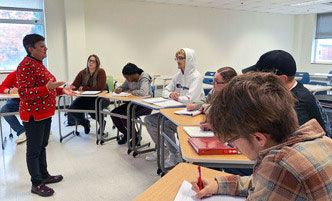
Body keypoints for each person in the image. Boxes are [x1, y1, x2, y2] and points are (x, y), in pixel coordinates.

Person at [191, 72, 332, 200]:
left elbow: (271, 179)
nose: (235, 148)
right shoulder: (323, 142)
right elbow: (261, 182)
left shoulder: (281, 166)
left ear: (259, 138)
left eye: (232, 141)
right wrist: (218, 185)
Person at [17, 34, 76, 197]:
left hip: (45, 113)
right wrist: (48, 88)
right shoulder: (25, 65)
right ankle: (36, 184)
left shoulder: (39, 63)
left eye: (45, 45)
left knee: (42, 146)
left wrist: (61, 90)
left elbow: (47, 87)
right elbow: (24, 93)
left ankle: (44, 175)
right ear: (31, 49)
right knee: (34, 150)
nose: (46, 48)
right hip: (33, 115)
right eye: (41, 46)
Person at [242, 50, 331, 136]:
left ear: (281, 79)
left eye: (261, 78)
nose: (258, 82)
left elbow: (294, 142)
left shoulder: (297, 103)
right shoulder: (291, 92)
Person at [144, 48, 204, 166]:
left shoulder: (196, 77)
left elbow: (190, 100)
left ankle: (174, 153)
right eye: (177, 58)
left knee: (166, 125)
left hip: (190, 113)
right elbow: (165, 91)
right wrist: (171, 94)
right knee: (149, 120)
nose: (178, 61)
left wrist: (176, 98)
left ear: (189, 59)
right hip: (175, 109)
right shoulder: (178, 76)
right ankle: (162, 149)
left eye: (181, 58)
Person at [111, 63, 153, 144]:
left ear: (133, 74)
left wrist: (131, 92)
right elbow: (124, 87)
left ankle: (135, 136)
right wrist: (120, 89)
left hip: (145, 105)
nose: (127, 79)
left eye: (127, 77)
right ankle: (127, 134)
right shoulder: (129, 79)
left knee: (126, 115)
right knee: (114, 113)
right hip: (133, 104)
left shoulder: (144, 77)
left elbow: (144, 92)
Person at [67, 54, 110, 134]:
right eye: (89, 60)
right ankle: (85, 123)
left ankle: (102, 123)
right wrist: (70, 88)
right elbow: (75, 85)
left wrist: (84, 88)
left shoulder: (101, 72)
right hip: (86, 98)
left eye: (93, 61)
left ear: (97, 63)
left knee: (92, 109)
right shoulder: (83, 72)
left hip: (101, 98)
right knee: (72, 108)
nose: (91, 62)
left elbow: (100, 87)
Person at [186, 67, 237, 131]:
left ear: (227, 84)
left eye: (216, 81)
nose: (212, 83)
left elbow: (220, 112)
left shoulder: (234, 96)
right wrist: (195, 105)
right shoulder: (215, 90)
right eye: (213, 80)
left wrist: (206, 107)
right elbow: (205, 101)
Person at [0, 70, 26, 144]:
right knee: (4, 110)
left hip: (30, 100)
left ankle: (43, 128)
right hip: (15, 100)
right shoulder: (14, 74)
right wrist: (9, 91)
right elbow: (1, 87)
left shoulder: (35, 75)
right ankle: (22, 131)